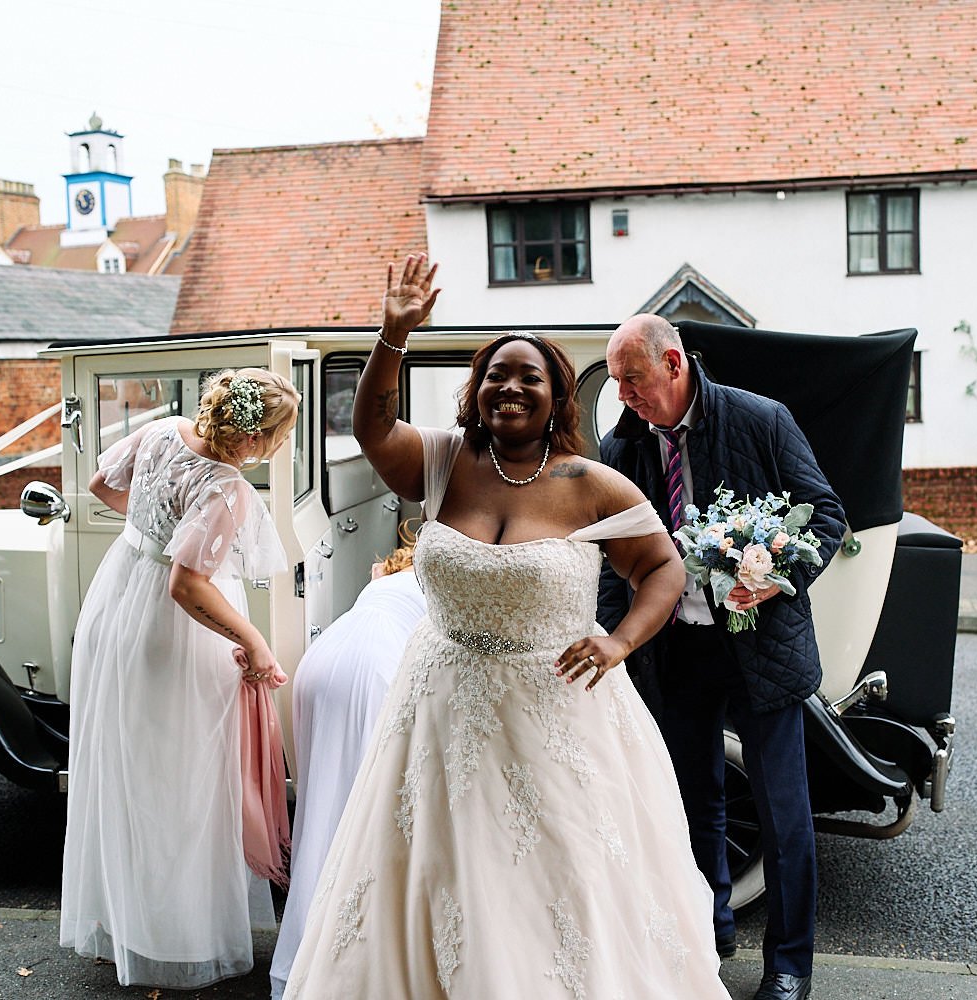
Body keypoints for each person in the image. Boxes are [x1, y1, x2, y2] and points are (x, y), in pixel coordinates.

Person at [283, 255, 732, 999]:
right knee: (439, 871)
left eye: (530, 377)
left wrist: (619, 643)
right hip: (439, 709)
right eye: (496, 374)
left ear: (558, 396)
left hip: (556, 712)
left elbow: (664, 570)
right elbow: (370, 425)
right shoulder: (440, 460)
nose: (511, 387)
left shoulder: (590, 485)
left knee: (557, 879)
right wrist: (393, 332)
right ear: (476, 389)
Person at [598, 315, 845, 1000]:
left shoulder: (762, 420)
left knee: (783, 815)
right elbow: (608, 560)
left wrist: (770, 577)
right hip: (673, 650)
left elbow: (825, 517)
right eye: (617, 381)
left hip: (762, 649)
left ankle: (790, 966)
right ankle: (709, 929)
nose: (623, 395)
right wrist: (615, 645)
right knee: (690, 803)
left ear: (674, 364)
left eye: (633, 379)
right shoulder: (619, 448)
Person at [59, 367, 300, 989]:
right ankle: (175, 936)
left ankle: (126, 923)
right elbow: (188, 584)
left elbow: (101, 484)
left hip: (117, 600)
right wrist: (254, 641)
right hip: (175, 632)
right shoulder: (226, 490)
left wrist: (151, 530)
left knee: (129, 766)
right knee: (182, 776)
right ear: (253, 440)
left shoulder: (163, 430)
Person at [268, 536, 426, 999]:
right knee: (368, 815)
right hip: (376, 666)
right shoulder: (445, 581)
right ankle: (350, 957)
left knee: (322, 808)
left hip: (321, 662)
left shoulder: (385, 576)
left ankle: (308, 948)